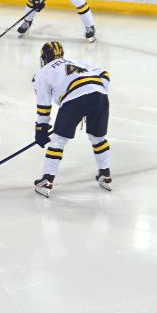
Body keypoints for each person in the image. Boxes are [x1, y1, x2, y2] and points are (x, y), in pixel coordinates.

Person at [31, 39, 111, 197]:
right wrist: (95, 92)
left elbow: (44, 106)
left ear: (44, 58)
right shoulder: (76, 61)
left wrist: (41, 128)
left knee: (58, 141)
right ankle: (105, 175)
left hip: (74, 101)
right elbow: (105, 74)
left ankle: (47, 180)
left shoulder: (42, 74)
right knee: (98, 138)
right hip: (100, 96)